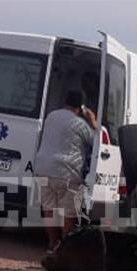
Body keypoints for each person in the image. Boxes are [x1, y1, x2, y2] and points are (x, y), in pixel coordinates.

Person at [34, 90, 95, 253]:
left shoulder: (51, 116)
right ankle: (65, 250)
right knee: (68, 213)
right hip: (67, 173)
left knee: (49, 209)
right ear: (81, 107)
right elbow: (95, 141)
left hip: (43, 169)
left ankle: (53, 244)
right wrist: (92, 121)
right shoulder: (80, 124)